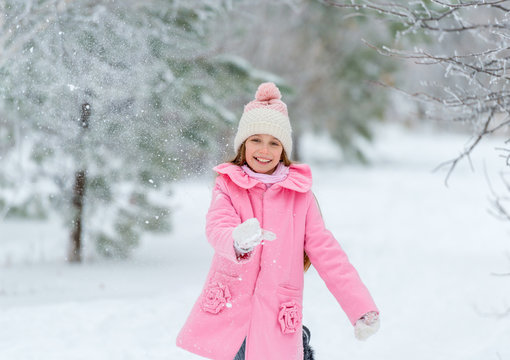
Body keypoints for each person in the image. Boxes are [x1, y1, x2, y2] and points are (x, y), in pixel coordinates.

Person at [176, 82, 380, 360]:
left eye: (274, 142)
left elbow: (329, 255)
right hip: (233, 318)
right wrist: (237, 240)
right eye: (256, 140)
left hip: (276, 315)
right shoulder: (228, 185)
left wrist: (360, 307)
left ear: (283, 149)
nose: (264, 149)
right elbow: (217, 225)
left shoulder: (300, 196)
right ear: (243, 144)